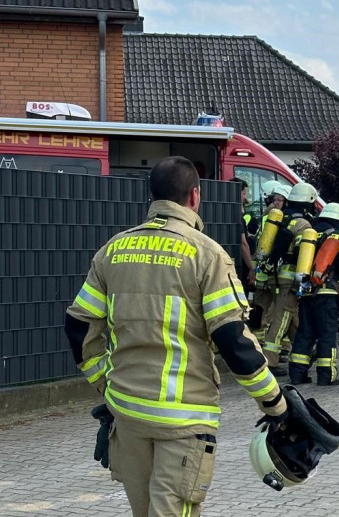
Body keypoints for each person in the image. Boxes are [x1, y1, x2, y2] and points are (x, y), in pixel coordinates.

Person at [64, 156, 287, 516]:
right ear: (195, 197)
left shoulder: (113, 250)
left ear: (153, 196)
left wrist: (104, 382)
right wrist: (274, 403)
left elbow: (79, 325)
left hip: (128, 414)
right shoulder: (207, 255)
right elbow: (233, 340)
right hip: (183, 419)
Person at [288, 203, 339, 386]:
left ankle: (297, 375)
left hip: (306, 292)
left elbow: (295, 260)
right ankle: (327, 375)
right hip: (328, 295)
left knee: (304, 333)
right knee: (327, 335)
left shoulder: (307, 235)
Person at [261, 182, 318, 375]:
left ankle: (305, 353)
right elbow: (304, 252)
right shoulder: (303, 224)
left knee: (293, 316)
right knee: (281, 317)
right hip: (290, 278)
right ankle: (269, 362)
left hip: (274, 275)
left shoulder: (280, 218)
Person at [250, 182, 290, 342]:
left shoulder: (285, 219)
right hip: (266, 272)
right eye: (275, 199)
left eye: (280, 200)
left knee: (277, 312)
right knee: (260, 311)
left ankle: (279, 347)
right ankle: (259, 343)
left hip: (276, 273)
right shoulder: (269, 217)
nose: (276, 202)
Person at [230, 177, 256, 288]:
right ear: (236, 193)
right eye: (243, 194)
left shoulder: (224, 211)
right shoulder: (236, 216)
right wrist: (251, 268)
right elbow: (243, 244)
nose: (245, 198)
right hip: (238, 265)